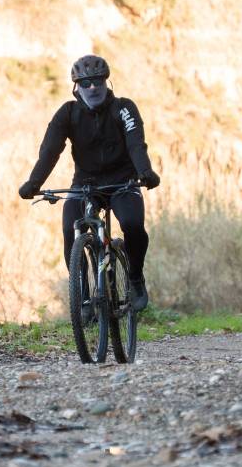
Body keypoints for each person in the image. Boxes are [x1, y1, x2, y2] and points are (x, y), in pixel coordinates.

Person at [18, 54, 160, 311]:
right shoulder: (67, 113)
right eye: (85, 83)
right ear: (76, 88)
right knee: (69, 229)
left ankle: (136, 276)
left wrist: (145, 171)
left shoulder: (124, 108)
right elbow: (50, 150)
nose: (92, 87)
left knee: (132, 225)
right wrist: (34, 182)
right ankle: (82, 294)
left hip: (123, 182)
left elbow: (136, 142)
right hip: (85, 184)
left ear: (106, 82)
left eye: (97, 81)